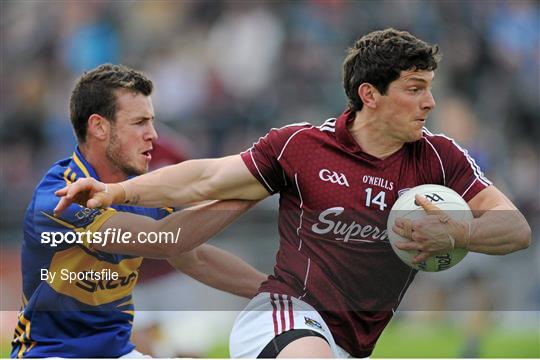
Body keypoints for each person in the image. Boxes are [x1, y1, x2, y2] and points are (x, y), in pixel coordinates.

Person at [55, 29, 531, 358]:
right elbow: (204, 178)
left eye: (429, 88)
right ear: (370, 94)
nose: (430, 101)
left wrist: (461, 230)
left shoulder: (439, 157)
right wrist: (118, 192)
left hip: (350, 343)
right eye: (414, 88)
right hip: (284, 316)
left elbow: (516, 228)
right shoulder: (301, 147)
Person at [12, 64, 267, 358]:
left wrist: (280, 293)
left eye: (152, 122)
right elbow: (165, 239)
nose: (153, 135)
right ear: (99, 127)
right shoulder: (62, 197)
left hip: (118, 353)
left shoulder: (141, 190)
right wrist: (257, 187)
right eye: (139, 123)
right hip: (53, 354)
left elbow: (196, 259)